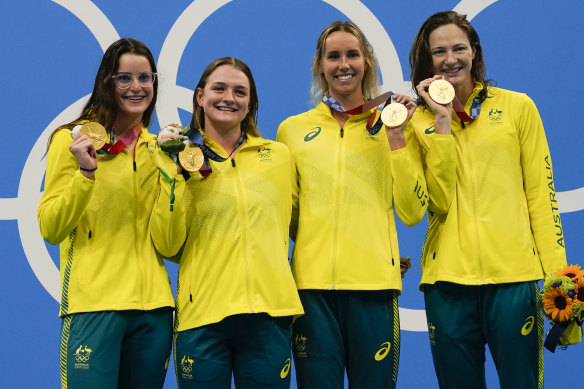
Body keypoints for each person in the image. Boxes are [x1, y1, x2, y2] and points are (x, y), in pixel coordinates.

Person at [408, 11, 567, 389]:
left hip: (514, 281)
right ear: (426, 61)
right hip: (447, 283)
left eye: (459, 48)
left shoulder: (518, 108)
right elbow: (435, 201)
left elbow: (541, 198)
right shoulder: (415, 122)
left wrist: (559, 280)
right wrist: (441, 122)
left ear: (474, 52)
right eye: (439, 52)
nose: (450, 59)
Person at [276, 21, 427, 389]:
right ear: (320, 65)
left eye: (352, 54)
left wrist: (395, 138)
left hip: (373, 289)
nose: (344, 64)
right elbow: (287, 217)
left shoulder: (397, 124)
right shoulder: (292, 131)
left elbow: (412, 211)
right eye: (334, 56)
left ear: (367, 61)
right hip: (312, 292)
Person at [150, 57, 304, 389]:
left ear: (251, 105)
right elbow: (166, 244)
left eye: (240, 92)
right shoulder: (175, 154)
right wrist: (175, 178)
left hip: (269, 315)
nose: (228, 98)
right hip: (202, 318)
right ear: (200, 96)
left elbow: (303, 224)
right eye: (219, 88)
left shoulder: (278, 156)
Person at [37, 38, 175, 389]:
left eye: (145, 77)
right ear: (106, 83)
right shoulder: (72, 140)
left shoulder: (158, 149)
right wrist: (85, 174)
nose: (136, 87)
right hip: (94, 305)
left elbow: (169, 238)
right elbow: (51, 227)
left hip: (154, 310)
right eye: (124, 78)